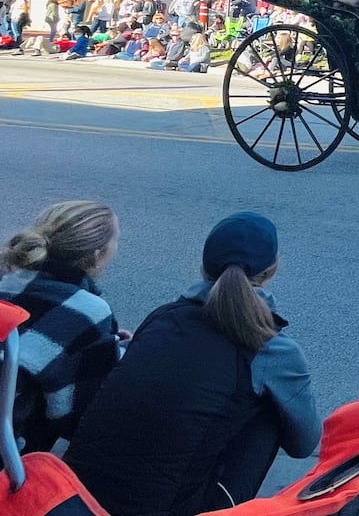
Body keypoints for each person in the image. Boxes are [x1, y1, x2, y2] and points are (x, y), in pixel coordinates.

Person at [65, 212, 319, 515]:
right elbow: (305, 443)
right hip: (167, 506)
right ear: (272, 269)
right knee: (271, 410)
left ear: (204, 267)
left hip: (75, 493)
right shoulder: (273, 348)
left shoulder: (164, 315)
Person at [0, 200, 125, 453]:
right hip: (13, 451)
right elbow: (72, 416)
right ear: (97, 255)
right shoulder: (87, 312)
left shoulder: (7, 276)